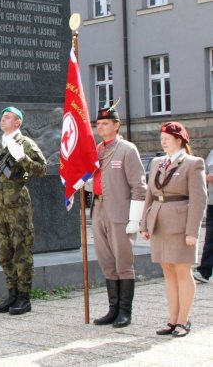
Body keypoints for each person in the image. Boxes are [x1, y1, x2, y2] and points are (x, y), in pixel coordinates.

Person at [0, 107, 46, 315]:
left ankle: (24, 298)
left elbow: (42, 169)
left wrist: (22, 157)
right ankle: (12, 294)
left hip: (18, 209)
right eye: (2, 116)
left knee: (21, 252)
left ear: (18, 123)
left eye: (7, 117)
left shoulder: (25, 144)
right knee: (4, 253)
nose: (2, 119)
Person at [141, 122, 206, 337]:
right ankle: (172, 319)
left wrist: (192, 232)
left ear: (179, 139)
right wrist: (144, 224)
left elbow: (198, 200)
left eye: (167, 137)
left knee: (182, 271)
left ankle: (183, 321)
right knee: (167, 270)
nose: (163, 141)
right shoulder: (158, 163)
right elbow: (149, 194)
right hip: (159, 222)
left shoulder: (193, 163)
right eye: (162, 137)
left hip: (180, 225)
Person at [88, 105, 147, 328]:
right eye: (98, 124)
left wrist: (135, 218)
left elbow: (139, 187)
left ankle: (125, 311)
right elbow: (93, 181)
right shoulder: (97, 150)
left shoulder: (126, 150)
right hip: (99, 209)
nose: (100, 127)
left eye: (105, 123)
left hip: (120, 211)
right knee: (106, 260)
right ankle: (112, 309)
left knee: (123, 261)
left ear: (116, 125)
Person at [192, 149, 213, 283]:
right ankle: (204, 271)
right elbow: (203, 174)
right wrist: (207, 177)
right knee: (210, 238)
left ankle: (204, 271)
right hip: (212, 202)